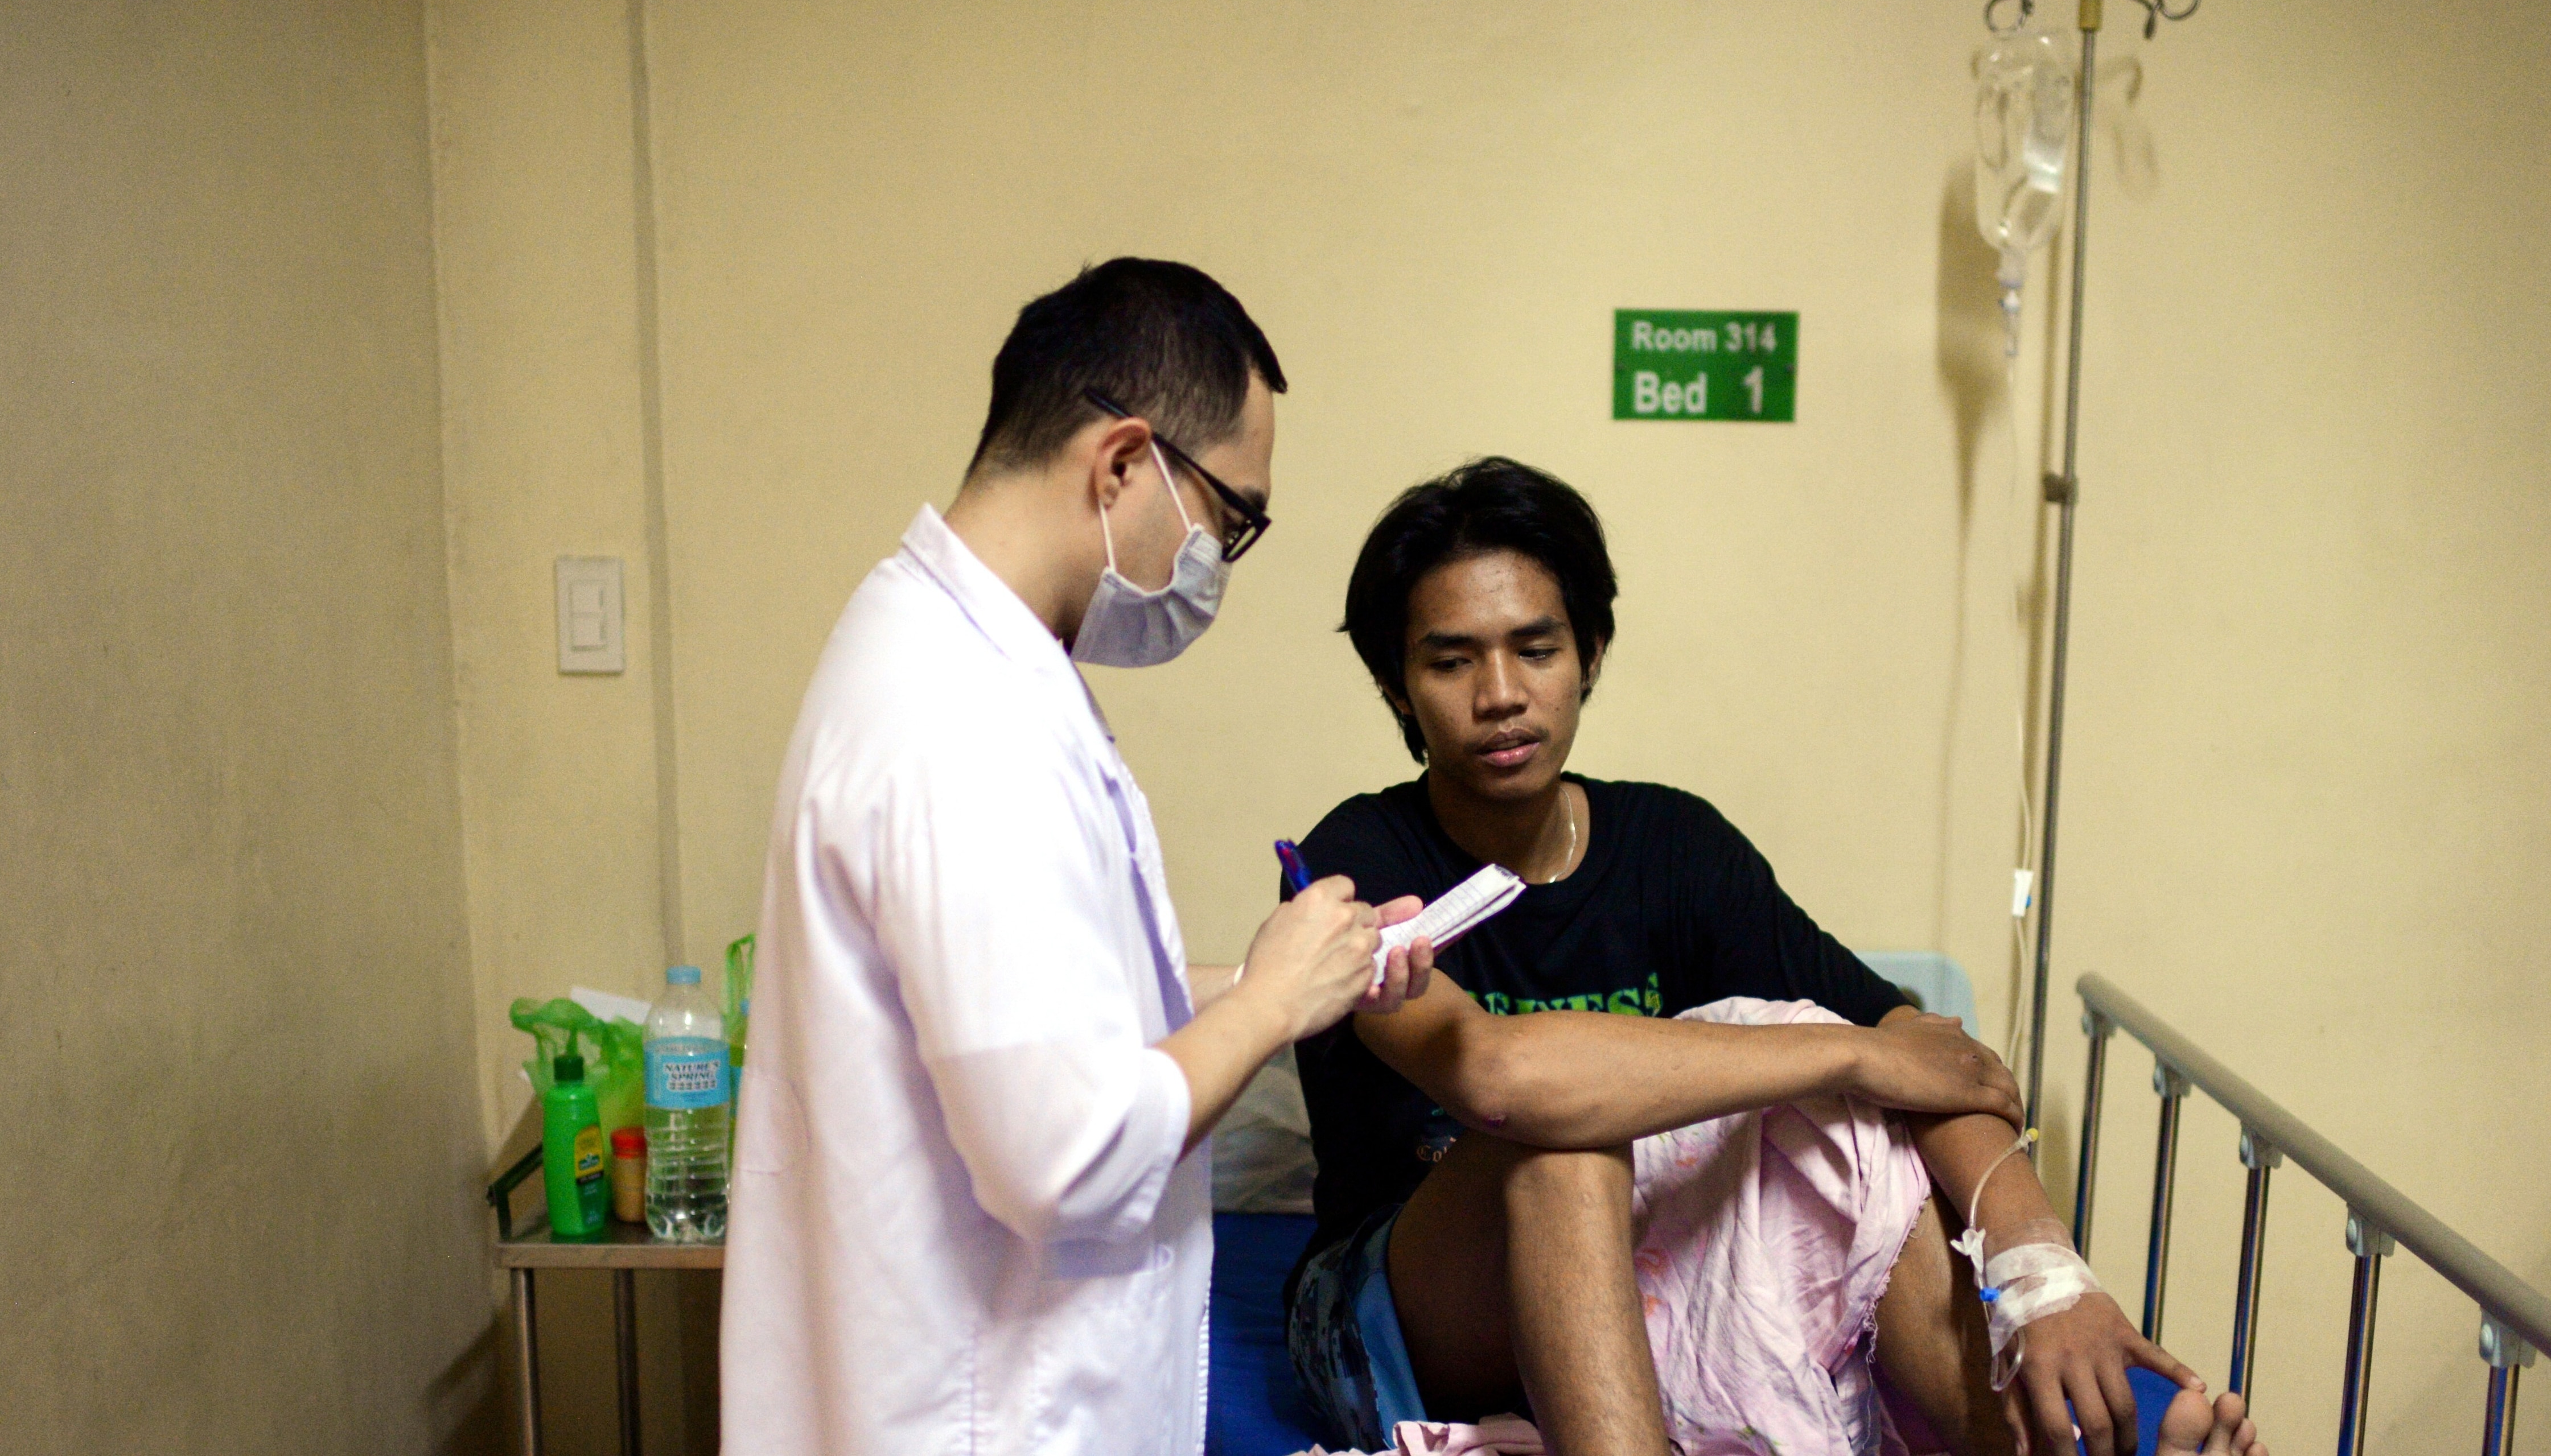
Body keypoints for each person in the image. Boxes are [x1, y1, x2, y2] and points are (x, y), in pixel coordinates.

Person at [1284, 458, 2268, 1456]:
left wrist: (2043, 1275)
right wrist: (1841, 1054)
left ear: (1589, 651)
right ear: (1395, 685)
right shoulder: (1357, 862)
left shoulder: (1673, 846)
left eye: (1535, 647)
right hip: (1407, 1309)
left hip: (1641, 1280)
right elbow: (1500, 1075)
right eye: (1451, 663)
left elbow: (1934, 1061)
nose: (1500, 694)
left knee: (1860, 1137)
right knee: (1565, 1138)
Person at [722, 259, 1436, 1455]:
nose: (1224, 559)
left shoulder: (948, 652)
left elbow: (1034, 1014)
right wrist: (1263, 1008)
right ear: (1120, 462)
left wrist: (1293, 979)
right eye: (1232, 517)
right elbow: (1065, 1154)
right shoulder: (964, 720)